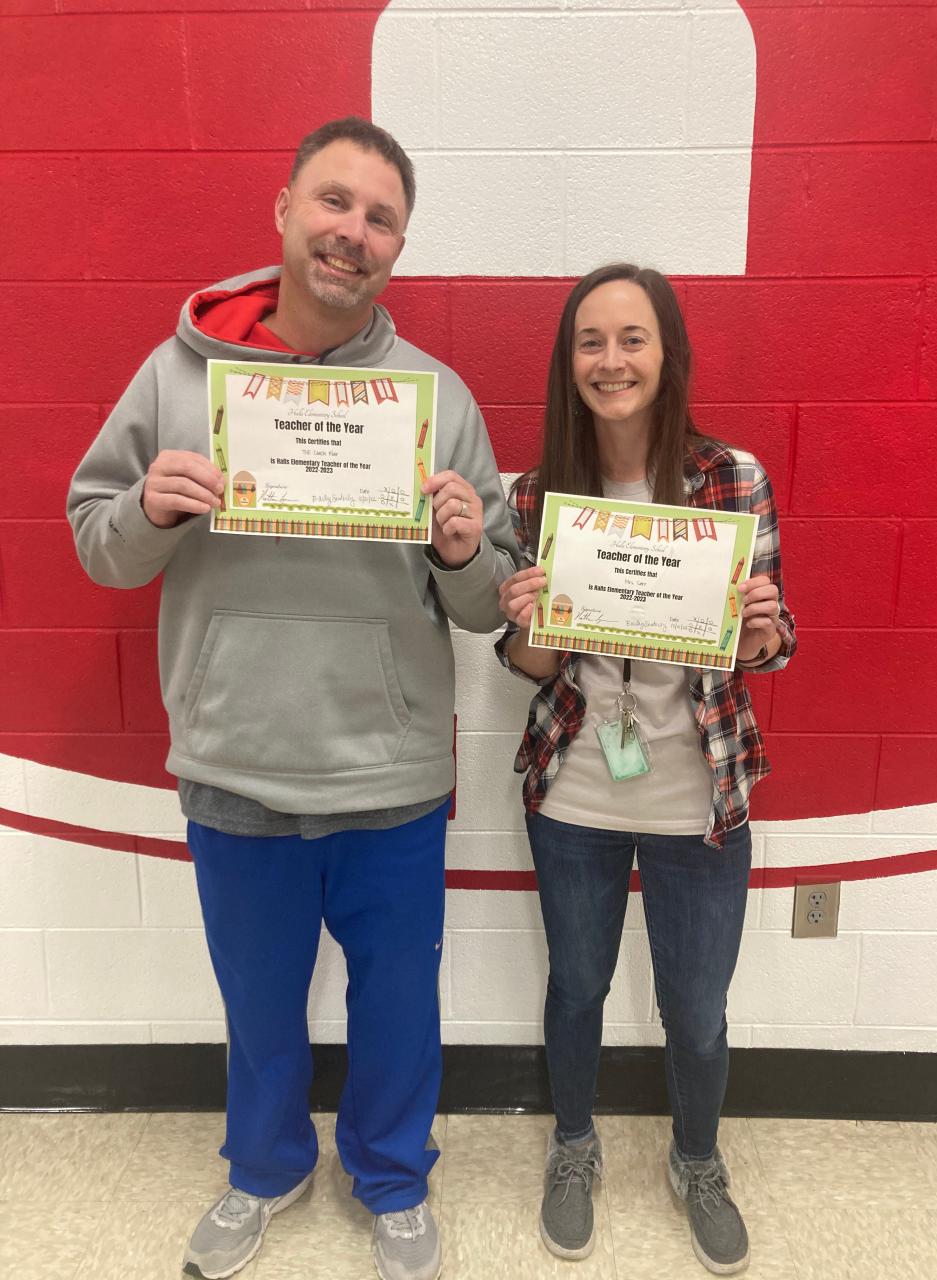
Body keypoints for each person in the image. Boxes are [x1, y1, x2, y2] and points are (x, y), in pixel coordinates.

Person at [67, 117, 519, 1280]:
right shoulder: (174, 375)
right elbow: (97, 543)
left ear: (399, 246)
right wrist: (150, 511)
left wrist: (468, 551)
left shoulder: (435, 396)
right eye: (333, 202)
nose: (350, 233)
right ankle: (264, 1167)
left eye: (379, 219)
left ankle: (392, 1176)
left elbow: (486, 608)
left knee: (397, 1010)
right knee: (258, 1006)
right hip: (236, 758)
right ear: (282, 209)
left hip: (392, 772)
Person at [495, 264, 797, 1275]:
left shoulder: (733, 477)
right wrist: (529, 625)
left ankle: (697, 1159)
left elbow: (774, 640)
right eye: (591, 340)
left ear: (667, 353)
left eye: (632, 338)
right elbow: (530, 665)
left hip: (699, 792)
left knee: (698, 1007)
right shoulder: (536, 493)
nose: (611, 360)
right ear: (568, 361)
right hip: (574, 784)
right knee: (576, 983)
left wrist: (757, 633)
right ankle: (573, 1144)